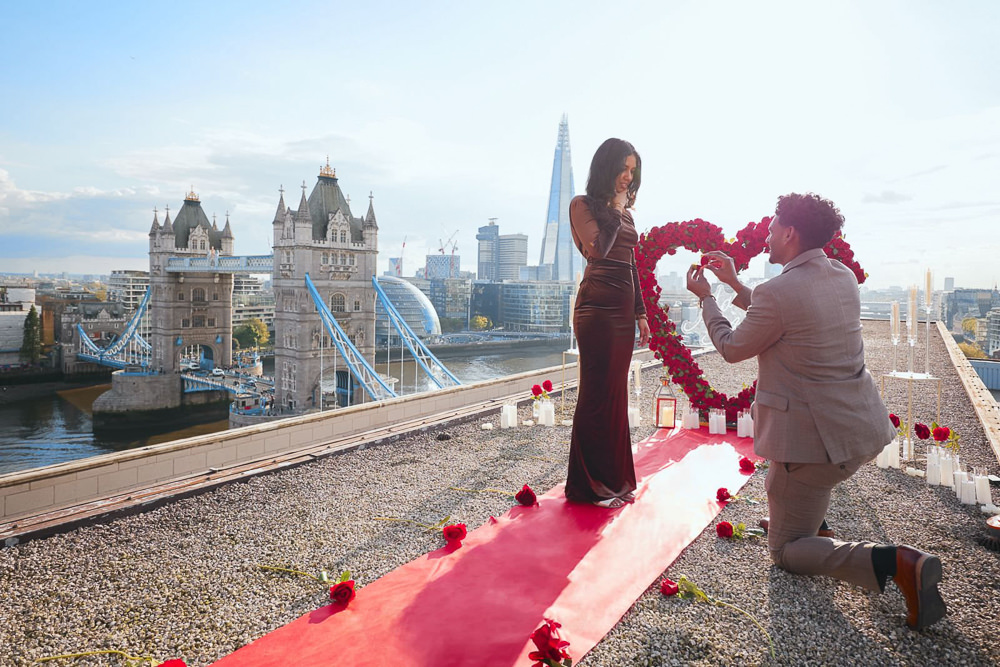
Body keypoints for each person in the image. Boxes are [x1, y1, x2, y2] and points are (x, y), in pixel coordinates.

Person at [685, 193, 946, 630]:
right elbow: (787, 313)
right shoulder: (841, 276)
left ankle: (897, 564)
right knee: (787, 494)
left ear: (789, 233)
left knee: (785, 549)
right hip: (859, 430)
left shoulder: (779, 291)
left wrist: (707, 299)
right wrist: (734, 284)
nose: (767, 234)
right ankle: (812, 522)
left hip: (813, 446)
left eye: (772, 227)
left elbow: (731, 348)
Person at [565, 138, 651, 509]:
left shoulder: (626, 214)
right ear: (607, 167)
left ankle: (615, 480)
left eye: (633, 171)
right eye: (624, 169)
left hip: (621, 311)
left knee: (616, 394)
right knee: (597, 394)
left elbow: (630, 264)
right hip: (596, 310)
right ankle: (589, 487)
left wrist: (641, 312)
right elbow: (599, 249)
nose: (628, 177)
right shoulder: (582, 206)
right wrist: (616, 208)